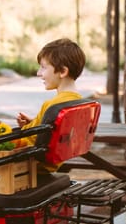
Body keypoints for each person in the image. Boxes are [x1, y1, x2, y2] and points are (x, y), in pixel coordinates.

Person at [14, 38, 86, 172]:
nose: (38, 73)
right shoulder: (78, 102)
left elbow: (32, 139)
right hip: (53, 163)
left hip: (31, 166)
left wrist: (27, 128)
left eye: (43, 67)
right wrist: (34, 122)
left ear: (63, 71)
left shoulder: (53, 106)